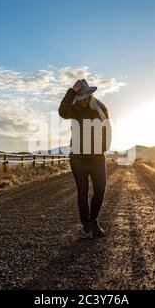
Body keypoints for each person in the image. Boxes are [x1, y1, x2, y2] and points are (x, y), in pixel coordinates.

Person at [59, 79, 111, 239]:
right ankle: (86, 227)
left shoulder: (100, 109)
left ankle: (94, 222)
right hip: (78, 157)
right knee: (83, 191)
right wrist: (71, 91)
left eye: (85, 97)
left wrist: (102, 148)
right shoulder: (72, 109)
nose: (82, 101)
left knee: (100, 189)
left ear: (90, 96)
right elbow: (62, 112)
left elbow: (107, 129)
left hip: (97, 157)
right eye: (79, 98)